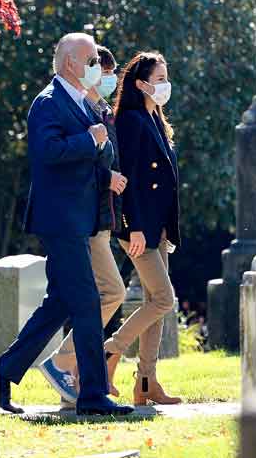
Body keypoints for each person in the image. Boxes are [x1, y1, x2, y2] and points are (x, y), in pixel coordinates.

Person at [0, 33, 133, 416]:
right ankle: (92, 395)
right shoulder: (48, 103)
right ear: (71, 63)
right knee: (87, 302)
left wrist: (96, 145)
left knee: (59, 303)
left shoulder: (80, 102)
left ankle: (1, 372)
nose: (96, 66)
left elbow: (95, 156)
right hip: (60, 219)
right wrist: (89, 140)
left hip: (80, 219)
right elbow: (48, 153)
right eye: (91, 60)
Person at [37, 45, 128, 404]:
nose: (108, 77)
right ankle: (63, 363)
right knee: (108, 293)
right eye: (101, 68)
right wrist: (106, 177)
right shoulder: (70, 106)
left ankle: (78, 377)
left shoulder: (98, 109)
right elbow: (61, 158)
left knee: (74, 299)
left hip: (99, 217)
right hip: (82, 219)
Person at [104, 51, 183, 405]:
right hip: (138, 229)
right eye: (159, 77)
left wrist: (167, 228)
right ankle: (110, 350)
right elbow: (131, 180)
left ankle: (147, 383)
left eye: (167, 76)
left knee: (157, 300)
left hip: (158, 229)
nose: (165, 84)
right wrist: (134, 226)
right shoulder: (131, 120)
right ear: (141, 83)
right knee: (164, 299)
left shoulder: (157, 121)